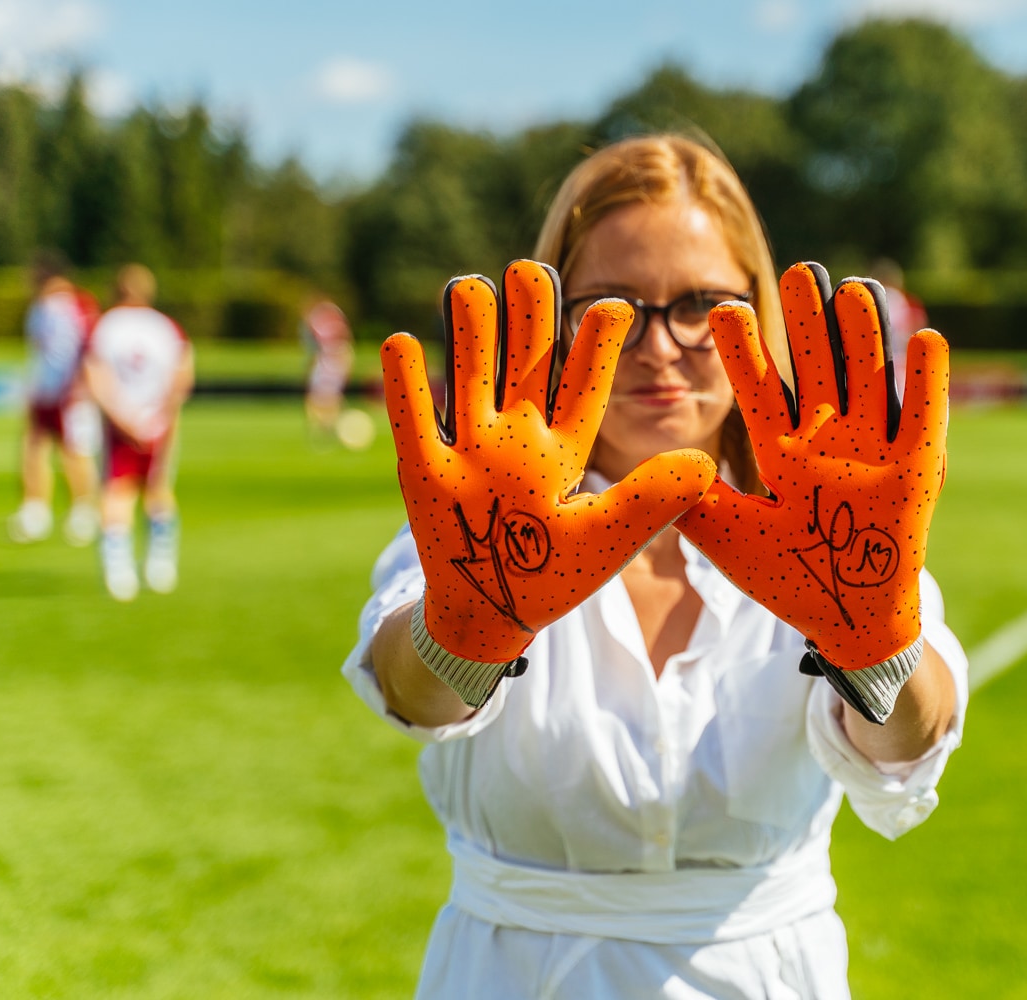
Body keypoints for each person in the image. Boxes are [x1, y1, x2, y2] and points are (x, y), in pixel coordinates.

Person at [342, 135, 967, 999]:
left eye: (703, 304)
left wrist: (876, 644)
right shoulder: (489, 522)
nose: (660, 346)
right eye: (612, 305)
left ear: (760, 307)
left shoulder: (834, 524)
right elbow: (412, 692)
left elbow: (911, 737)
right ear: (555, 318)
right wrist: (470, 627)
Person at [83, 264, 194, 601]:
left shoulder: (106, 325)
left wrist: (121, 419)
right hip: (158, 422)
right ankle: (160, 562)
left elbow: (94, 374)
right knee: (158, 491)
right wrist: (163, 414)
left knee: (117, 493)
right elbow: (183, 374)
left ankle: (119, 569)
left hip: (121, 423)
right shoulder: (167, 327)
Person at [7, 250, 102, 546]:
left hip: (72, 392)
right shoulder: (39, 307)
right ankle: (36, 509)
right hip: (44, 391)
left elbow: (90, 346)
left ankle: (84, 511)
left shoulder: (79, 304)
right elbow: (39, 351)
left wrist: (81, 385)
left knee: (75, 452)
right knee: (33, 449)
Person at [299, 293, 358, 444]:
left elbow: (340, 339)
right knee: (325, 397)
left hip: (330, 361)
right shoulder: (331, 315)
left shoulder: (321, 317)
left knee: (324, 398)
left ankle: (326, 428)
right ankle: (327, 427)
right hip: (330, 360)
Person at [869, 257, 929, 399]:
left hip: (875, 358)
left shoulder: (875, 298)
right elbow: (915, 327)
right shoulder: (901, 299)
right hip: (898, 357)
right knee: (899, 401)